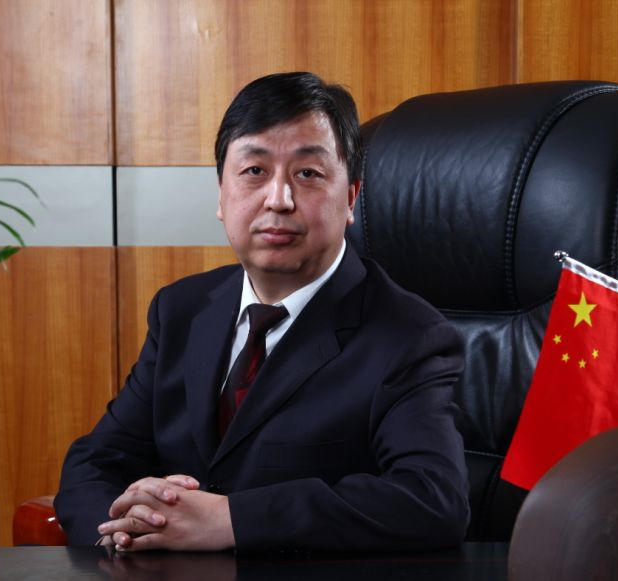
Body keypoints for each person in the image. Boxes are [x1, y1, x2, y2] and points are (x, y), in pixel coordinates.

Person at [54, 71, 470, 552]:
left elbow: (432, 499)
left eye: (307, 174)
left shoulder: (409, 336)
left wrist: (230, 520)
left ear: (351, 198)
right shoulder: (181, 310)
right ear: (221, 193)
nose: (278, 199)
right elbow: (95, 462)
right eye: (254, 171)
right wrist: (124, 530)